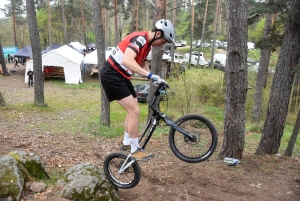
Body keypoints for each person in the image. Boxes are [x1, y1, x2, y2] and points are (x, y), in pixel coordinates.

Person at [100, 19, 175, 160]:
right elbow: (126, 60)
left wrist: (155, 77)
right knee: (135, 111)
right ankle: (135, 149)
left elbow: (142, 65)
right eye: (163, 41)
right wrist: (150, 75)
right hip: (112, 74)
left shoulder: (147, 46)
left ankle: (126, 143)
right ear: (158, 33)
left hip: (122, 76)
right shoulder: (140, 39)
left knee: (132, 109)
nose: (162, 45)